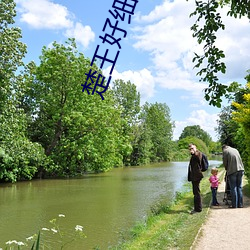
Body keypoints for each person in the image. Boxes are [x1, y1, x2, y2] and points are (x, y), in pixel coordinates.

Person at [188, 143, 204, 214]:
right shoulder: (194, 155)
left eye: (192, 148)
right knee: (196, 192)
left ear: (195, 148)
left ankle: (198, 209)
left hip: (196, 176)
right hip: (195, 176)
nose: (191, 150)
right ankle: (197, 208)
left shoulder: (198, 154)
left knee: (196, 192)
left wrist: (194, 152)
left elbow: (198, 158)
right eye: (190, 149)